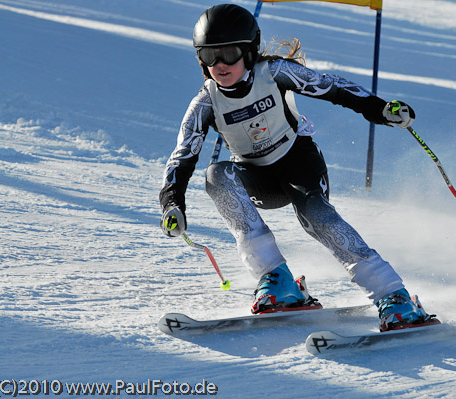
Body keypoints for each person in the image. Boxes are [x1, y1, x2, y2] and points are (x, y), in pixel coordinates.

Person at [159, 3, 437, 331]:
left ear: (248, 52)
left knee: (316, 218)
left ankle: (394, 297)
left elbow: (332, 86)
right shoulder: (205, 103)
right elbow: (182, 158)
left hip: (299, 162)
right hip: (257, 177)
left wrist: (380, 109)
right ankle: (276, 278)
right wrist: (172, 204)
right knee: (216, 176)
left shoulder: (274, 72)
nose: (220, 64)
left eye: (230, 53)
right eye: (209, 56)